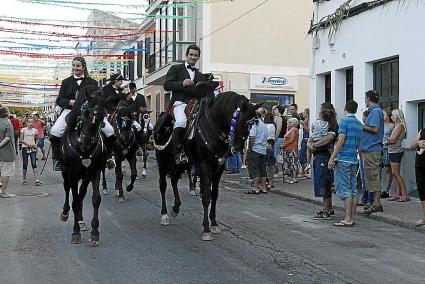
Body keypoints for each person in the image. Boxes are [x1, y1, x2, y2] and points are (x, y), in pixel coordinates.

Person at [49, 56, 99, 171]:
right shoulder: (66, 82)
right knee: (55, 131)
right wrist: (70, 102)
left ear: (83, 67)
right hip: (70, 111)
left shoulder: (93, 82)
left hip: (88, 112)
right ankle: (56, 160)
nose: (75, 68)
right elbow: (59, 100)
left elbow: (97, 99)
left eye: (77, 66)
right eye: (73, 65)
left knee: (108, 130)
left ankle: (107, 158)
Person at [164, 44, 206, 165]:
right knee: (181, 121)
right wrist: (182, 83)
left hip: (196, 105)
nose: (193, 57)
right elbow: (167, 85)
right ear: (186, 55)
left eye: (196, 55)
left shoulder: (200, 75)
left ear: (198, 57)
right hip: (180, 103)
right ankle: (178, 153)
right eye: (191, 54)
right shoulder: (176, 69)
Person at [328, 100, 363, 227]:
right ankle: (351, 218)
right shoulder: (359, 124)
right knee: (354, 189)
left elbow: (341, 141)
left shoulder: (344, 121)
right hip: (354, 159)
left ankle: (347, 218)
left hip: (343, 159)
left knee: (344, 189)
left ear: (345, 109)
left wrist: (332, 157)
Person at [309, 102, 338, 220]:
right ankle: (329, 208)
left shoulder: (332, 125)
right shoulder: (321, 124)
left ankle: (326, 210)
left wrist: (315, 145)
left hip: (324, 155)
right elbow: (313, 135)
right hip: (319, 154)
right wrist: (310, 143)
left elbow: (330, 138)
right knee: (323, 181)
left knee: (324, 182)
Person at [360, 90, 385, 215]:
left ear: (369, 98)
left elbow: (375, 129)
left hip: (372, 149)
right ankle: (375, 203)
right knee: (370, 176)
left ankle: (377, 203)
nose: (364, 100)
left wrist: (362, 126)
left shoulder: (375, 111)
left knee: (373, 176)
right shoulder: (375, 111)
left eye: (365, 98)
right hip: (370, 149)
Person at [387, 109, 409, 202]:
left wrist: (386, 139)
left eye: (392, 115)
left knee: (396, 173)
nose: (391, 117)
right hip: (393, 150)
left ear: (397, 116)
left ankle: (405, 194)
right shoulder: (398, 125)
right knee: (394, 173)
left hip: (396, 151)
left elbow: (393, 140)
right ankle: (398, 193)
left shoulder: (399, 126)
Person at [246, 110, 268, 194]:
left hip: (255, 148)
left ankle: (256, 188)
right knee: (263, 169)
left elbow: (252, 137)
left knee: (255, 169)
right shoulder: (264, 125)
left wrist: (249, 148)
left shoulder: (255, 124)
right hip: (263, 149)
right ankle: (264, 187)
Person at [0, 107, 16, 198]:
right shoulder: (8, 124)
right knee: (5, 173)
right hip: (7, 153)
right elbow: (8, 138)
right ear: (7, 114)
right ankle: (4, 192)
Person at [20, 119, 42, 186]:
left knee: (34, 163)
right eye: (29, 122)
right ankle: (24, 179)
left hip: (32, 148)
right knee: (25, 163)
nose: (30, 123)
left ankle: (37, 180)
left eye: (32, 122)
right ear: (26, 123)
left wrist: (35, 145)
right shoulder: (23, 129)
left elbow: (38, 138)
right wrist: (28, 145)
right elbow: (21, 139)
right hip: (25, 148)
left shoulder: (35, 130)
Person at [411, 128, 425, 227]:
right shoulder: (422, 131)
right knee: (422, 191)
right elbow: (411, 146)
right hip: (420, 165)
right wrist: (418, 143)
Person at [380, 109, 394, 198]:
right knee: (377, 170)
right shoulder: (379, 125)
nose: (382, 116)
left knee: (388, 170)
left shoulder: (392, 126)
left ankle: (386, 190)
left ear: (388, 116)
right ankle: (378, 189)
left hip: (387, 149)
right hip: (379, 149)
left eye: (383, 114)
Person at [282, 117, 300, 184]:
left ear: (293, 124)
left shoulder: (294, 130)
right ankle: (292, 177)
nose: (288, 123)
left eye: (289, 122)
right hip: (287, 148)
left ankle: (294, 178)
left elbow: (291, 140)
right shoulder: (290, 130)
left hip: (292, 148)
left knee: (293, 163)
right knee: (290, 163)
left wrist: (284, 145)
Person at [272, 105, 287, 174]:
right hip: (282, 138)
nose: (275, 111)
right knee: (280, 155)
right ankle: (282, 171)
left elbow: (278, 129)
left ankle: (277, 171)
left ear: (279, 110)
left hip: (279, 138)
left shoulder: (279, 118)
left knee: (276, 155)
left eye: (276, 110)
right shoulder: (284, 118)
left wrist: (275, 138)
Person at [263, 113, 276, 189]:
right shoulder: (272, 126)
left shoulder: (265, 126)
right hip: (271, 145)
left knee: (266, 165)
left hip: (265, 146)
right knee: (270, 164)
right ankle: (270, 182)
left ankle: (267, 181)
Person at [299, 108, 310, 178]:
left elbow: (309, 130)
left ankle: (304, 172)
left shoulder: (308, 121)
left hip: (306, 139)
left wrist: (303, 124)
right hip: (302, 139)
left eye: (304, 112)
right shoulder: (305, 120)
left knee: (302, 156)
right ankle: (303, 171)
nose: (303, 113)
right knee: (302, 156)